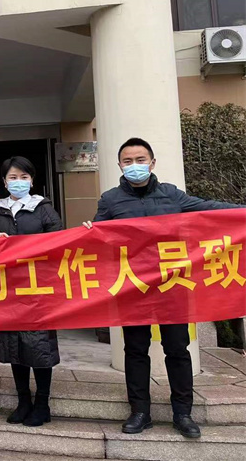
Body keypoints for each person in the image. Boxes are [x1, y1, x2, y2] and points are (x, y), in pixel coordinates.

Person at [84, 137, 244, 439]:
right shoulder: (110, 200)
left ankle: (183, 413)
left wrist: (242, 212)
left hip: (173, 286)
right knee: (135, 350)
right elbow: (97, 238)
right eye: (128, 161)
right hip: (132, 288)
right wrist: (89, 230)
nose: (134, 166)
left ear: (152, 162)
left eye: (140, 160)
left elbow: (210, 209)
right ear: (119, 165)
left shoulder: (172, 195)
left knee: (177, 349)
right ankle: (139, 412)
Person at [0, 156, 63, 427]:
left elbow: (59, 242)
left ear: (32, 180)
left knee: (39, 347)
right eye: (13, 178)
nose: (19, 182)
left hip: (38, 289)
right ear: (4, 183)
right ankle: (23, 401)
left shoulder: (43, 209)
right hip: (8, 290)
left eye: (24, 177)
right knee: (14, 346)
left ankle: (42, 404)